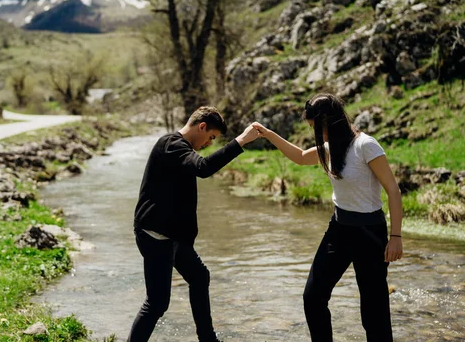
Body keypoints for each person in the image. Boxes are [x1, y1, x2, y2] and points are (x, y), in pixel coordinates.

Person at [253, 93, 403, 342]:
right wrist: (269, 134)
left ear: (330, 121)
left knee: (373, 311)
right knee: (313, 297)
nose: (317, 134)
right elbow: (301, 157)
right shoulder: (331, 147)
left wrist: (396, 236)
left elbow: (393, 190)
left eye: (316, 128)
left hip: (370, 233)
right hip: (339, 230)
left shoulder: (366, 145)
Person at [129, 106, 261, 342]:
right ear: (202, 127)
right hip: (156, 235)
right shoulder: (171, 145)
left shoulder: (181, 149)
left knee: (199, 277)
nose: (210, 143)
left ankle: (208, 339)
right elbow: (203, 168)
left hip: (174, 237)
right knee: (157, 304)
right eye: (211, 137)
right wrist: (241, 141)